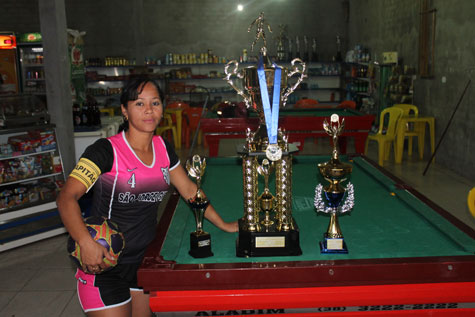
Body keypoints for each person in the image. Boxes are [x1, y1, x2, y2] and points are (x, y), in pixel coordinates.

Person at [56, 76, 238, 317]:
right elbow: (66, 198)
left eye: (155, 103)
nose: (149, 110)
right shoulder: (105, 151)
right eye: (139, 104)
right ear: (125, 110)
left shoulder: (163, 148)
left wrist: (224, 225)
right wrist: (85, 242)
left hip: (143, 263)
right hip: (105, 264)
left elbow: (190, 191)